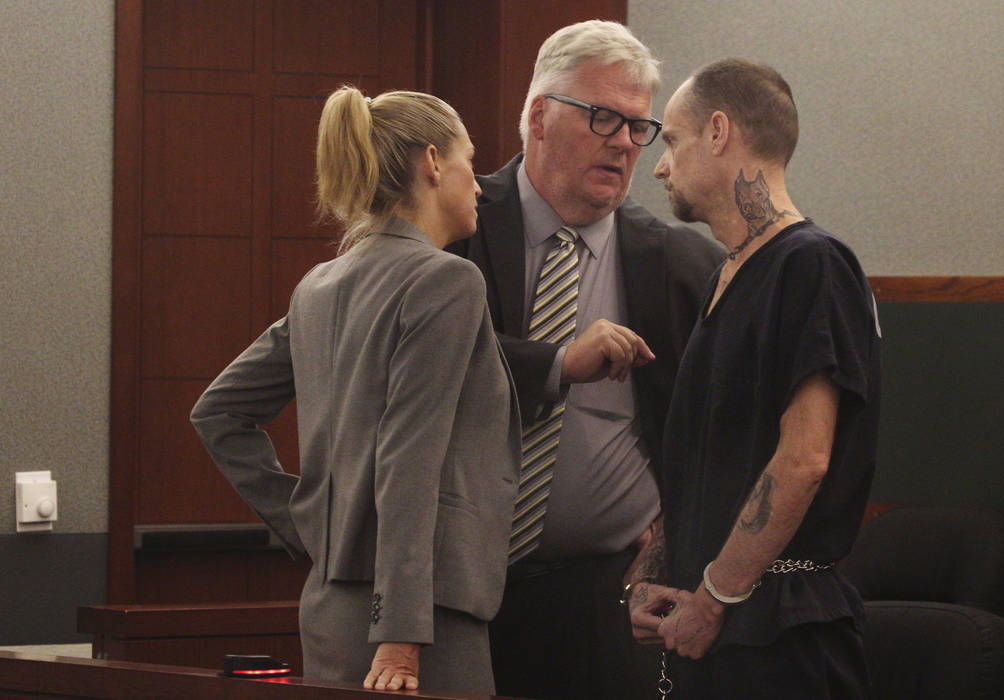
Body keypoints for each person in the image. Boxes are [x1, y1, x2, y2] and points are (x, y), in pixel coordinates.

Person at [190, 86, 520, 695]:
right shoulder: (447, 279)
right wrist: (400, 634)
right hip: (419, 624)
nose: (478, 186)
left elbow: (219, 412)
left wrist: (311, 521)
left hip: (331, 606)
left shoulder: (319, 285)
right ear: (432, 162)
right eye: (470, 162)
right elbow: (409, 458)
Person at [448, 20, 724, 700]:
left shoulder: (684, 263)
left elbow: (725, 428)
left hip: (609, 599)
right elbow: (423, 363)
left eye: (639, 127)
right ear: (539, 115)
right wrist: (556, 362)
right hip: (455, 589)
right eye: (603, 118)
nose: (625, 143)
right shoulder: (457, 229)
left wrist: (675, 539)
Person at [628, 58, 882, 698]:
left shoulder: (812, 264)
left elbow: (804, 460)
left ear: (718, 132)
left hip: (779, 636)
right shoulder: (725, 274)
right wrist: (657, 577)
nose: (660, 167)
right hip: (711, 622)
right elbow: (705, 460)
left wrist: (712, 598)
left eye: (672, 142)